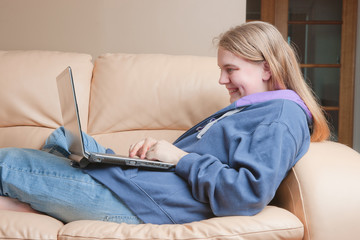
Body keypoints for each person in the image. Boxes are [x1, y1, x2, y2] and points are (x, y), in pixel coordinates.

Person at [0, 21, 330, 224]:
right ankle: (46, 199)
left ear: (267, 69)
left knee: (6, 161)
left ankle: (40, 199)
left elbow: (246, 194)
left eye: (230, 70)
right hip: (142, 185)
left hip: (142, 203)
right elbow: (202, 160)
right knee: (62, 137)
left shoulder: (281, 117)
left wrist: (181, 159)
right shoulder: (252, 110)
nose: (221, 80)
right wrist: (159, 154)